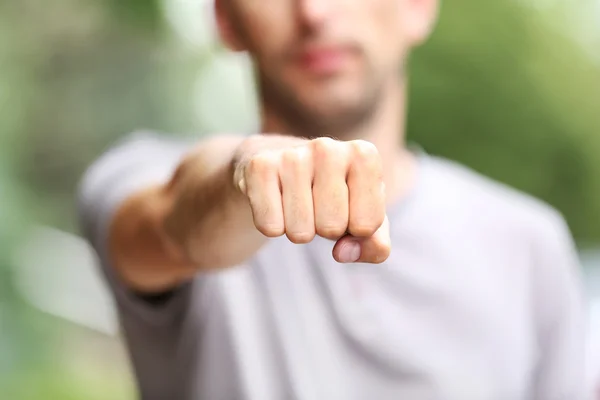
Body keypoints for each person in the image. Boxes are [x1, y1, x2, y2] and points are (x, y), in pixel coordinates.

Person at [77, 0, 589, 399]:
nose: (314, 12)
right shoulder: (134, 175)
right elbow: (173, 224)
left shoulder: (530, 245)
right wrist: (245, 177)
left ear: (416, 6)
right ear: (225, 20)